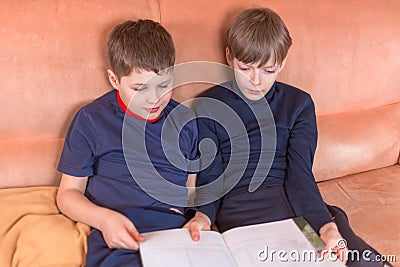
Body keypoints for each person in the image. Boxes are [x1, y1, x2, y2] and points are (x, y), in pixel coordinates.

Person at [184, 8, 391, 267]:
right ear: (229, 57)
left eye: (268, 70)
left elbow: (300, 176)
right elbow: (211, 176)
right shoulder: (210, 105)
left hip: (294, 208)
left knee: (352, 259)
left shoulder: (299, 105)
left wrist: (323, 225)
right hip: (239, 213)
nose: (255, 81)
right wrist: (203, 215)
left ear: (281, 63)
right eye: (245, 68)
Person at [56, 20, 198, 267]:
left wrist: (198, 217)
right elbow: (68, 194)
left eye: (164, 86)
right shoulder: (91, 120)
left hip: (174, 232)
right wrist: (104, 220)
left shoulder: (185, 121)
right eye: (139, 88)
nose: (154, 99)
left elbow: (192, 189)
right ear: (114, 79)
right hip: (117, 228)